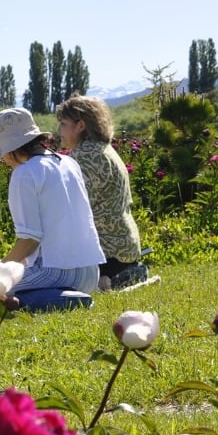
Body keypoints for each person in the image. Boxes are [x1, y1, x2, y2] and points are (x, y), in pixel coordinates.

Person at [0, 108, 105, 295]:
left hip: (55, 273)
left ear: (10, 149)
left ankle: (57, 297)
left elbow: (30, 239)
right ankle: (65, 296)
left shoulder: (24, 173)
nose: (2, 159)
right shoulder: (69, 163)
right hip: (90, 275)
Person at [55, 95, 145, 290]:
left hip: (107, 252)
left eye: (63, 123)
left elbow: (74, 209)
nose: (58, 130)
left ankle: (106, 279)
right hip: (122, 247)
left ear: (80, 125)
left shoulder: (87, 155)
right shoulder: (103, 149)